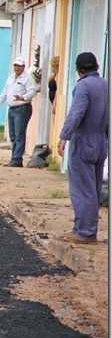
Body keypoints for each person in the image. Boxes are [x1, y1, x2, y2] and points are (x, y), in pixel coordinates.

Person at [57, 52, 109, 245]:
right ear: (96, 67)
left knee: (82, 189)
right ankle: (89, 230)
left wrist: (64, 136)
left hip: (84, 140)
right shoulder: (106, 85)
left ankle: (84, 232)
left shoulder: (83, 86)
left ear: (78, 70)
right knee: (94, 189)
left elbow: (76, 113)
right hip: (101, 142)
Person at [0, 57, 36, 167]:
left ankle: (17, 159)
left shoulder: (28, 79)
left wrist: (23, 98)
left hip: (22, 109)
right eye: (15, 65)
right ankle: (14, 158)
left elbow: (32, 91)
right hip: (12, 109)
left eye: (19, 66)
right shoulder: (10, 78)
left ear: (23, 66)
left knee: (19, 134)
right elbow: (5, 92)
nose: (17, 68)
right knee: (13, 135)